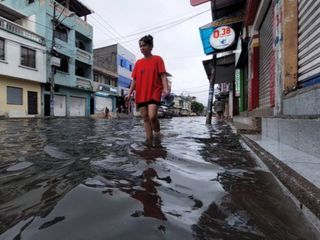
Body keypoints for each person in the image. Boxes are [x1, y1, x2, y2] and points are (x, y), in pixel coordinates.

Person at [125, 35, 169, 144]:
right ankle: (149, 139)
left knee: (152, 116)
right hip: (141, 93)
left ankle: (158, 134)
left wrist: (166, 88)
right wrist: (129, 93)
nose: (142, 48)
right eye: (140, 46)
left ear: (151, 46)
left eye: (144, 45)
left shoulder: (158, 59)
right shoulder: (138, 63)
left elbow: (163, 75)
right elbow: (134, 80)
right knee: (145, 118)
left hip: (154, 91)